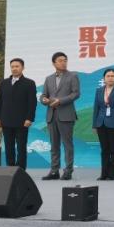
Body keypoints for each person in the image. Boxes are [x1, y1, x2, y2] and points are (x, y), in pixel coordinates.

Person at [40, 52, 81, 180]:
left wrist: (60, 101)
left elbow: (76, 94)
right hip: (51, 115)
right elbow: (43, 95)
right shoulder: (48, 78)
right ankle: (54, 171)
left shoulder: (73, 76)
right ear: (54, 63)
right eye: (60, 60)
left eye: (65, 60)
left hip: (66, 115)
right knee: (54, 145)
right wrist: (44, 100)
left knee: (67, 145)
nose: (63, 62)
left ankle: (68, 171)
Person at [0, 57, 37, 171]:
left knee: (21, 148)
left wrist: (29, 118)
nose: (14, 69)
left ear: (22, 68)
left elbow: (32, 103)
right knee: (9, 147)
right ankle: (10, 170)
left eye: (17, 66)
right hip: (6, 120)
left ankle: (21, 171)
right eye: (12, 67)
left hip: (22, 122)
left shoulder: (29, 83)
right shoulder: (4, 83)